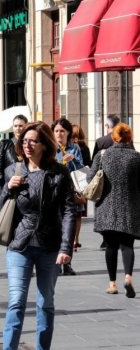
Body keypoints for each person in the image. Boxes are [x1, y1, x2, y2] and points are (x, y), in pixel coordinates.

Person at [0, 121, 76, 350]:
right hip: (19, 245)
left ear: (45, 144)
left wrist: (66, 248)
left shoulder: (59, 172)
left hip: (50, 246)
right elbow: (1, 208)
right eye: (24, 141)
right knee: (16, 302)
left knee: (46, 303)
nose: (27, 145)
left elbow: (69, 211)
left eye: (33, 141)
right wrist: (7, 189)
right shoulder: (13, 171)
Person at [88, 123, 140, 298]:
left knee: (111, 246)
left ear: (114, 137)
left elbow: (90, 178)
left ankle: (112, 284)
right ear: (129, 137)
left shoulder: (103, 155)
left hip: (106, 207)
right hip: (130, 207)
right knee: (127, 245)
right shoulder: (136, 157)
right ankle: (128, 277)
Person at [52, 118, 83, 276]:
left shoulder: (74, 148)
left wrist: (74, 160)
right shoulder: (50, 148)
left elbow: (81, 169)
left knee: (69, 229)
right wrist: (59, 160)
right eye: (56, 131)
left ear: (68, 133)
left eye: (62, 131)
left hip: (70, 192)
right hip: (54, 193)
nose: (59, 134)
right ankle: (56, 263)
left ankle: (68, 263)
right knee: (56, 229)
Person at [91, 115, 122, 250]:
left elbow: (94, 162)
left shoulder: (101, 141)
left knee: (103, 210)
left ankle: (106, 239)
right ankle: (119, 235)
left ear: (107, 126)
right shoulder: (125, 140)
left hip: (103, 180)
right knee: (118, 209)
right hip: (120, 180)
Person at [0, 115, 28, 190]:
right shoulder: (4, 144)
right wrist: (4, 188)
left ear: (26, 126)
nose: (18, 128)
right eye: (15, 126)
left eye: (20, 126)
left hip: (27, 185)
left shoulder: (29, 144)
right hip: (9, 186)